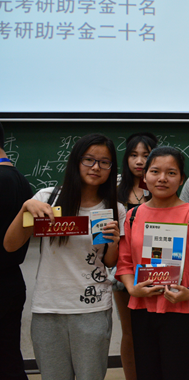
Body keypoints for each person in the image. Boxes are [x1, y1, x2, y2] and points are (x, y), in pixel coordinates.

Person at [4, 134, 126, 380]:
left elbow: (110, 262)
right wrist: (25, 207)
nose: (96, 167)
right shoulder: (47, 199)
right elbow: (10, 245)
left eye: (104, 162)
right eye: (89, 159)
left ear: (111, 168)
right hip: (49, 307)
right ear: (76, 161)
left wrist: (113, 243)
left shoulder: (114, 208)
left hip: (92, 308)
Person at [116, 146, 189, 380]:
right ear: (144, 176)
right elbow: (125, 263)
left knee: (182, 373)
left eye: (171, 173)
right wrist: (131, 288)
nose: (162, 178)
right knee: (148, 373)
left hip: (182, 309)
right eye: (155, 171)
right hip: (143, 309)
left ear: (181, 179)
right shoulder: (133, 216)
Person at [113, 132, 158, 380]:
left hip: (160, 269)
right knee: (129, 331)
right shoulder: (114, 190)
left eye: (145, 155)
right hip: (125, 270)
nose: (139, 161)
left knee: (156, 330)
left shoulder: (162, 184)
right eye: (133, 155)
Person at [0, 122, 33, 380]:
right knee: (9, 356)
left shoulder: (3, 179)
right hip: (10, 279)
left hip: (3, 280)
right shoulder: (20, 179)